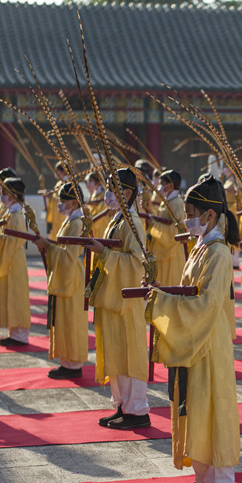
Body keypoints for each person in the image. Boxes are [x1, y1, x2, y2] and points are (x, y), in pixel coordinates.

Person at [146, 177, 241, 483]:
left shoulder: (218, 253)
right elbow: (190, 293)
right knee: (197, 408)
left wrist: (162, 302)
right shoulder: (203, 247)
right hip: (198, 339)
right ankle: (203, 479)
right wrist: (162, 291)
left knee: (212, 408)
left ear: (209, 216)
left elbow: (206, 303)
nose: (187, 219)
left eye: (191, 213)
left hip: (209, 341)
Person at [87, 169, 151, 430]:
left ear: (127, 193)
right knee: (115, 353)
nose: (107, 194)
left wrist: (104, 253)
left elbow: (136, 264)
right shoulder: (118, 219)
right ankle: (123, 405)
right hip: (113, 298)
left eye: (112, 189)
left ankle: (137, 409)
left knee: (129, 354)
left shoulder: (133, 222)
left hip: (126, 301)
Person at [34, 182, 89, 379]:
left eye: (63, 202)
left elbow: (69, 255)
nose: (60, 205)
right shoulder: (71, 221)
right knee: (65, 320)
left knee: (71, 320)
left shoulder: (76, 223)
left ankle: (73, 364)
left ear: (74, 203)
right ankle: (67, 361)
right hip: (68, 276)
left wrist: (48, 247)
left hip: (71, 278)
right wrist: (49, 246)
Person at [0, 177, 32, 347]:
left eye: (4, 193)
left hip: (13, 260)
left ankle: (20, 334)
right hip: (9, 258)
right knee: (9, 295)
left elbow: (11, 241)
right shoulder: (11, 213)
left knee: (15, 296)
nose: (1, 196)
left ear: (13, 195)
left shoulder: (17, 217)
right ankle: (14, 331)